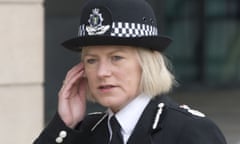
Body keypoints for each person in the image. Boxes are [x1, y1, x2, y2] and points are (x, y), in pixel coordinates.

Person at [34, 0, 227, 143]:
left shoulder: (189, 131)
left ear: (147, 64)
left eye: (116, 58)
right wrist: (63, 124)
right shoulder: (82, 133)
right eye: (91, 60)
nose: (102, 72)